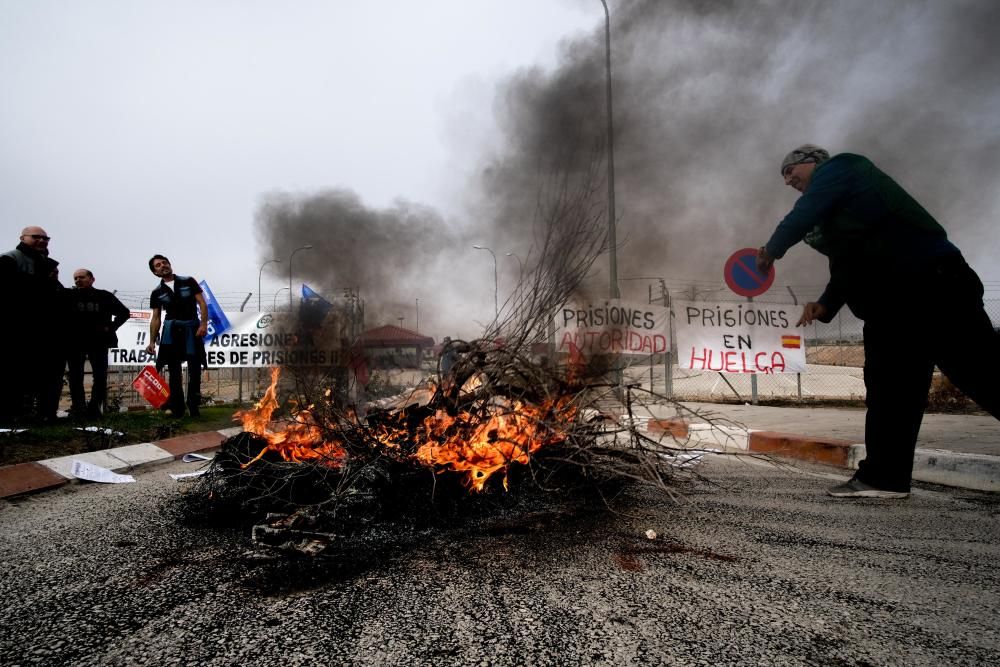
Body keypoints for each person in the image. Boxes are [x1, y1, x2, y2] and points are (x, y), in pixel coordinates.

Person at [757, 144, 1000, 499]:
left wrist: (771, 250)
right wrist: (825, 304)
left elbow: (801, 215)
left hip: (924, 288)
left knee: (978, 374)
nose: (788, 180)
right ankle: (885, 478)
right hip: (905, 299)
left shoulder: (842, 168)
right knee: (897, 390)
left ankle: (884, 477)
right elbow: (848, 265)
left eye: (791, 171)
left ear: (812, 162)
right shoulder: (842, 216)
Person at [0, 227, 64, 423]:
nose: (42, 240)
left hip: (44, 330)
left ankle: (43, 415)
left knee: (46, 375)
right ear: (22, 238)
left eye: (46, 238)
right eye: (36, 237)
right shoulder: (10, 259)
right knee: (16, 374)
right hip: (19, 329)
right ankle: (11, 416)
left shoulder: (43, 263)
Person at [144, 255, 208, 418]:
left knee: (194, 369)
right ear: (155, 272)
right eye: (158, 265)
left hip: (191, 329)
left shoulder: (188, 281)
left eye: (164, 262)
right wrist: (152, 341)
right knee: (174, 371)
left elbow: (201, 303)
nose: (163, 266)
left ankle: (193, 406)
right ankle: (177, 408)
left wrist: (203, 324)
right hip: (171, 332)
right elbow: (156, 317)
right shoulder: (156, 292)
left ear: (170, 264)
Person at [65, 268, 131, 419]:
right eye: (75, 278)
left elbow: (124, 313)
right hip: (75, 342)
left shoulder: (104, 296)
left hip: (98, 342)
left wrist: (111, 327)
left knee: (100, 376)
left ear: (92, 279)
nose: (78, 280)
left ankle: (94, 408)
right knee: (75, 376)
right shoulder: (69, 296)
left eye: (81, 277)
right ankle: (79, 408)